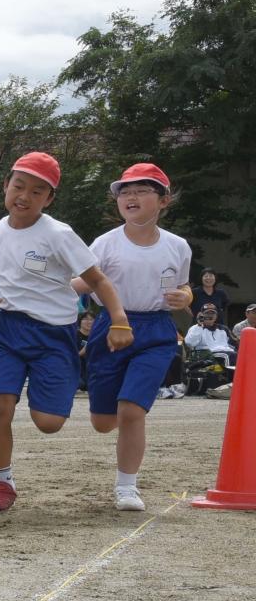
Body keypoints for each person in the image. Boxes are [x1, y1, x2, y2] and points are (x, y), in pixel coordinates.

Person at [0, 152, 132, 513]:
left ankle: (48, 391)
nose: (24, 196)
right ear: (6, 186)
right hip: (6, 330)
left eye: (37, 191)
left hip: (52, 335)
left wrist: (119, 319)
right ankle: (2, 482)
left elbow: (97, 280)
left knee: (49, 423)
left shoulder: (59, 234)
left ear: (49, 199)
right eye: (19, 186)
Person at [71, 163, 192, 512]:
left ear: (163, 200)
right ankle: (113, 434)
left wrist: (186, 297)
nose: (130, 197)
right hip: (110, 328)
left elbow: (183, 285)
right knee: (103, 422)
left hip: (156, 331)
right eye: (124, 191)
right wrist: (42, 293)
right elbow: (83, 283)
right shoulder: (105, 244)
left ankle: (127, 487)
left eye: (141, 190)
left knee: (131, 411)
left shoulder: (178, 246)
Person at [76, 310, 95, 390]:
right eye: (86, 319)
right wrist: (82, 352)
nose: (89, 322)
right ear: (80, 321)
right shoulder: (74, 335)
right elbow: (68, 357)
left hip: (91, 371)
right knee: (80, 384)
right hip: (76, 370)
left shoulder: (96, 337)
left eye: (91, 319)